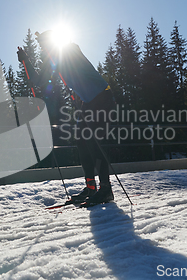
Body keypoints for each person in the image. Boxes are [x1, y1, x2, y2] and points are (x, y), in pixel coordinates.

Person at [17, 30, 116, 205]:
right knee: (82, 141)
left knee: (95, 143)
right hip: (88, 102)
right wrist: (26, 60)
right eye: (42, 45)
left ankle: (106, 190)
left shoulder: (70, 50)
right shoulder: (53, 59)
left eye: (46, 44)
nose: (44, 48)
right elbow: (39, 81)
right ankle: (91, 187)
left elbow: (72, 55)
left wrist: (52, 47)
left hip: (102, 97)